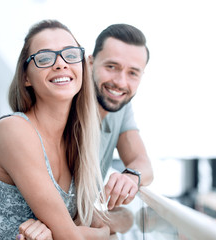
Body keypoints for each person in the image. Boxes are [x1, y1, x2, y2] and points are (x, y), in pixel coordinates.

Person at [0, 19, 109, 239]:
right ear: (26, 77)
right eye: (45, 58)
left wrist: (60, 231)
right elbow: (73, 236)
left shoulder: (77, 142)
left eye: (70, 54)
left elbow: (84, 224)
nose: (60, 64)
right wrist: (102, 233)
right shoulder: (14, 130)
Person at [19, 23, 154, 239]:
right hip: (33, 228)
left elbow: (143, 163)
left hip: (59, 230)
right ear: (89, 63)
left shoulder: (120, 107)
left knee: (127, 218)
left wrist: (131, 176)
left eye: (133, 73)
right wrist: (99, 227)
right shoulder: (62, 109)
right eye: (111, 66)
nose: (120, 82)